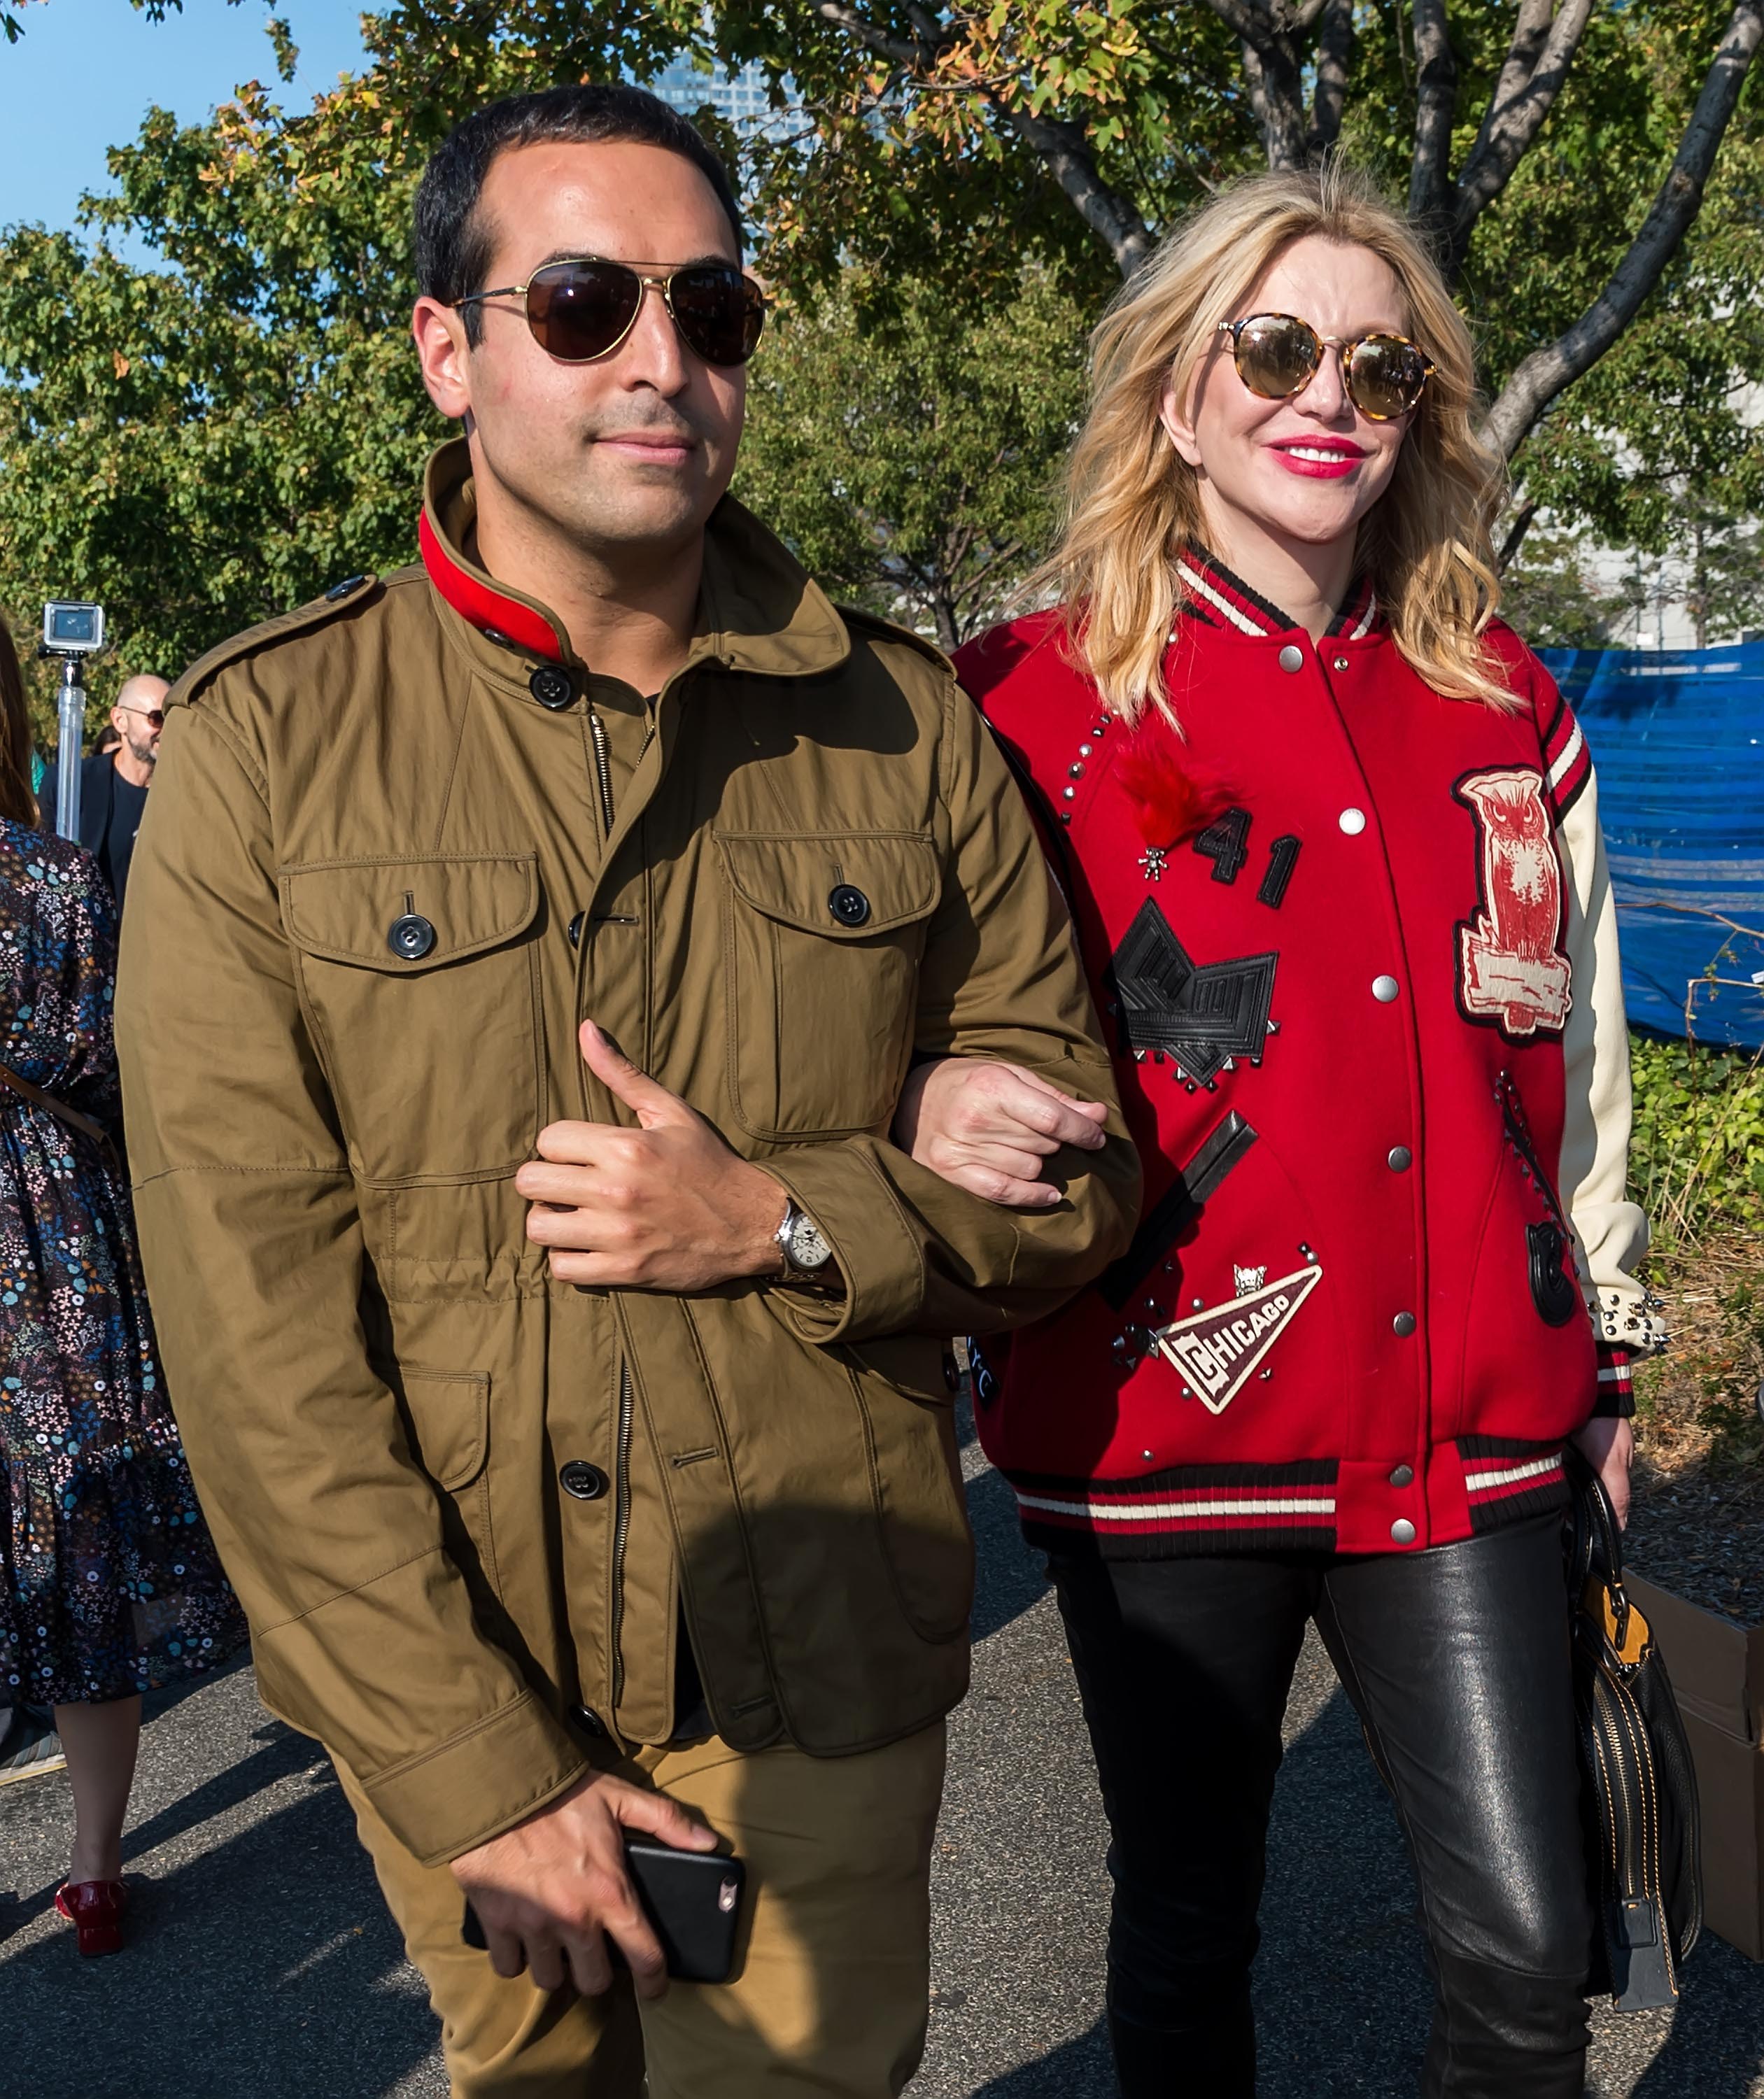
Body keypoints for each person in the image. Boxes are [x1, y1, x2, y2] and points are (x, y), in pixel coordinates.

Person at [114, 84, 1138, 2096]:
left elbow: (1081, 1179)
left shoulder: (906, 728)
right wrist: (473, 1762)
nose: (662, 359)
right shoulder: (267, 744)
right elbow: (252, 1336)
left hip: (814, 1645)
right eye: (586, 303)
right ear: (450, 347)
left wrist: (788, 1215)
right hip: (457, 1648)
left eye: (712, 308)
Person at [897, 165, 1663, 2098]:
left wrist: (1609, 1351)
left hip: (1471, 1419)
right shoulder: (1021, 706)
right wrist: (919, 1099)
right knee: (1187, 1924)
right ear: (1177, 392)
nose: (1331, 396)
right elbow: (894, 1019)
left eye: (1382, 366)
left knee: (1528, 1952)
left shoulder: (1503, 699)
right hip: (1161, 1419)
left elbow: (1572, 1060)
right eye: (1274, 348)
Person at [0, 613, 245, 1951]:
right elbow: (119, 1068)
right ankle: (93, 1867)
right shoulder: (53, 880)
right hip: (51, 1241)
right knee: (76, 1534)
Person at [37, 672, 168, 908]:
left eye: (172, 718)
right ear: (120, 720)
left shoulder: (184, 792)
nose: (167, 729)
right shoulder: (72, 784)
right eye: (157, 718)